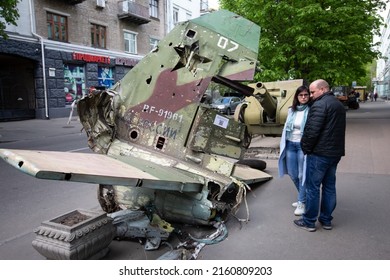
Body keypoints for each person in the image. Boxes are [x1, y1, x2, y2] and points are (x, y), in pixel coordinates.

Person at [294, 79, 346, 232]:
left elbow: (312, 132)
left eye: (312, 92)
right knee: (329, 187)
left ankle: (309, 221)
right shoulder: (338, 104)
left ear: (323, 89)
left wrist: (305, 148)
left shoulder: (319, 104)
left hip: (319, 154)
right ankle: (326, 220)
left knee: (313, 188)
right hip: (334, 153)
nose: (310, 95)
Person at [278, 85, 310, 216]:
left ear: (309, 96)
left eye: (306, 95)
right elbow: (286, 128)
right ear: (297, 97)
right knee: (292, 173)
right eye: (300, 95)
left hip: (302, 145)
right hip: (290, 144)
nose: (303, 97)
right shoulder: (292, 110)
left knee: (302, 175)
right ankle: (304, 197)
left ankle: (302, 202)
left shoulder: (311, 110)